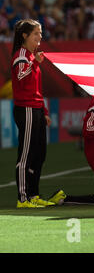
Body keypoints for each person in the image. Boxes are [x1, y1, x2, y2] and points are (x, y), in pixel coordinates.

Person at [11, 19, 52, 208]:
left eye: (41, 34)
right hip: (25, 108)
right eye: (36, 33)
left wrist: (43, 111)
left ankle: (34, 195)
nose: (40, 37)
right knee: (26, 155)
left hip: (35, 109)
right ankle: (23, 198)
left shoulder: (31, 56)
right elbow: (20, 75)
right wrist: (33, 61)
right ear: (24, 36)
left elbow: (36, 88)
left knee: (40, 154)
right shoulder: (22, 55)